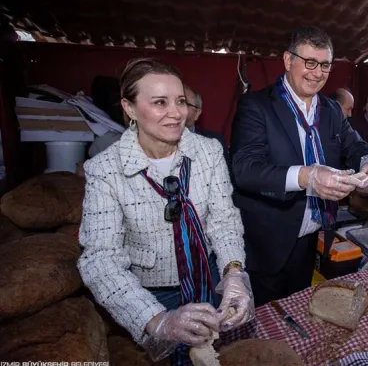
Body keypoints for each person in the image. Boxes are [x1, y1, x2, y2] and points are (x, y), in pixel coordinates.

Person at [78, 58, 254, 364]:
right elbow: (100, 260)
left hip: (210, 280)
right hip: (153, 295)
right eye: (160, 102)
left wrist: (233, 273)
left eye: (180, 101)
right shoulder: (104, 170)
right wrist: (157, 319)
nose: (176, 113)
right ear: (130, 108)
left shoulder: (208, 151)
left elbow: (223, 219)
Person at [230, 27, 368, 306]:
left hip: (310, 238)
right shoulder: (256, 106)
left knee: (299, 316)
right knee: (265, 328)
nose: (317, 73)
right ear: (288, 61)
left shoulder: (332, 110)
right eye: (309, 62)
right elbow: (244, 169)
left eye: (324, 64)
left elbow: (356, 146)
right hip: (267, 244)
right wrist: (306, 176)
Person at [184, 85, 229, 163]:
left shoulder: (215, 142)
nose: (177, 108)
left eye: (185, 103)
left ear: (197, 113)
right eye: (178, 102)